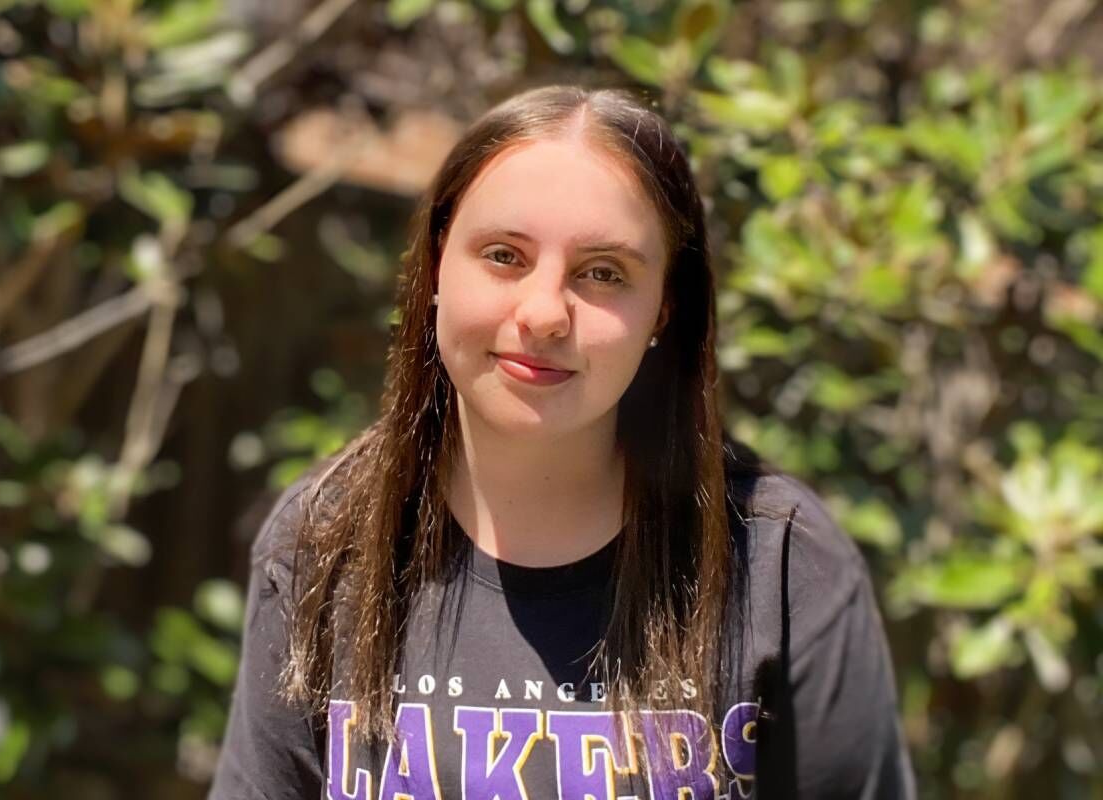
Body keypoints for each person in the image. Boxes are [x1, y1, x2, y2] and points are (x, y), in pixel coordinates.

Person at [208, 84, 916, 799]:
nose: (545, 312)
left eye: (603, 273)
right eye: (504, 256)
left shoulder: (783, 568)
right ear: (434, 270)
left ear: (663, 310)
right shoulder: (325, 545)